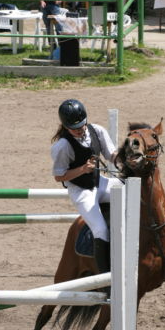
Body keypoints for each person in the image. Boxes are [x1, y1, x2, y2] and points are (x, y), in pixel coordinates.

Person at [51, 99, 121, 276]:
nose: (80, 130)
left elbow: (111, 155)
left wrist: (125, 157)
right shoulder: (62, 146)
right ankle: (106, 278)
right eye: (75, 128)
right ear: (66, 126)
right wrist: (82, 169)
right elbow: (59, 176)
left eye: (82, 125)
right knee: (100, 229)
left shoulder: (97, 130)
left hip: (100, 183)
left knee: (130, 190)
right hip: (81, 191)